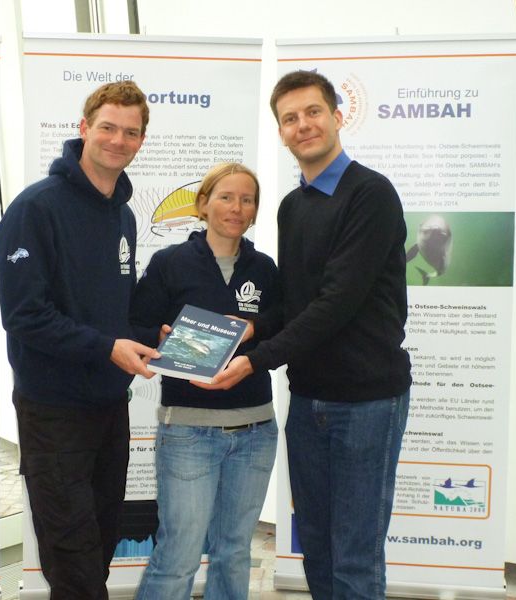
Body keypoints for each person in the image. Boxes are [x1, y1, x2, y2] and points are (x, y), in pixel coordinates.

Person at [201, 71, 412, 599]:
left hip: (367, 401)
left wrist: (255, 359)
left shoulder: (370, 194)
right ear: (281, 132)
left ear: (337, 117)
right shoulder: (292, 207)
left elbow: (336, 303)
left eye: (313, 112)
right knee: (316, 544)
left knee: (355, 555)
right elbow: (297, 301)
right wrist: (247, 330)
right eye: (290, 118)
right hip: (309, 399)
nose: (303, 125)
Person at [0, 80, 159, 600]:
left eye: (130, 132)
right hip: (53, 412)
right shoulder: (35, 208)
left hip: (109, 407)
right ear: (84, 128)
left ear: (140, 140)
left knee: (99, 547)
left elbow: (112, 313)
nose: (118, 140)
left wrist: (151, 335)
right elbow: (24, 316)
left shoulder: (123, 215)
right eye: (108, 127)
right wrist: (107, 348)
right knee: (73, 560)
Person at [131, 163, 281, 600]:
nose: (237, 208)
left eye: (247, 200)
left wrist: (254, 327)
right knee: (178, 556)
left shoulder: (264, 268)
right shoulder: (170, 263)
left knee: (234, 553)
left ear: (255, 211)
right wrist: (159, 337)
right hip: (189, 432)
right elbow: (137, 325)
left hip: (255, 431)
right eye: (226, 197)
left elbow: (286, 325)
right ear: (203, 204)